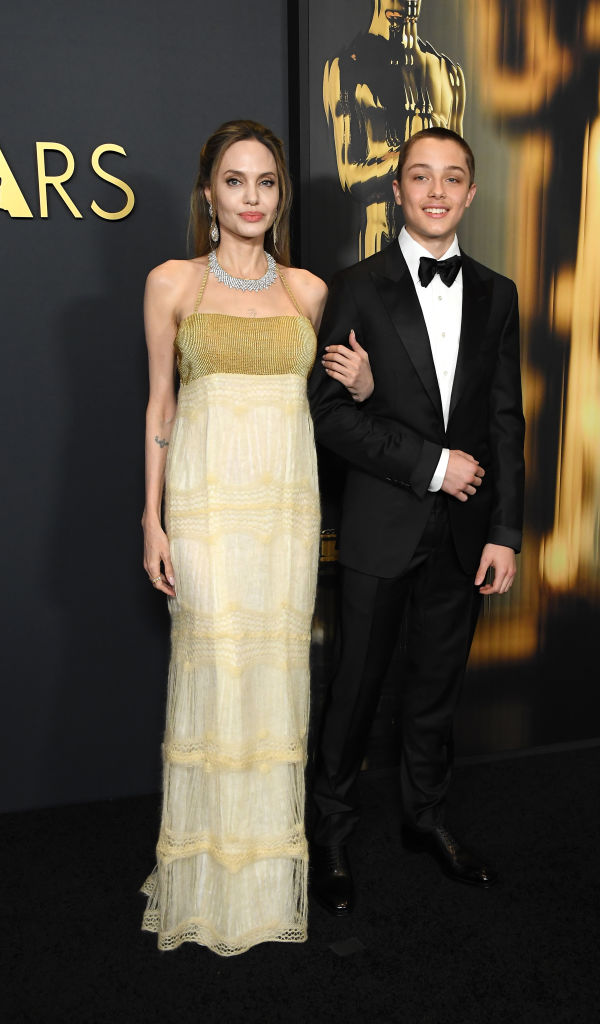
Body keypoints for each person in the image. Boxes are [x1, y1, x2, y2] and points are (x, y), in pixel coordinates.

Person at [140, 119, 372, 956]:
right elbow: (160, 407)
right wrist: (150, 517)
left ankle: (266, 885)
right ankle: (204, 879)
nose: (250, 198)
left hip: (283, 512)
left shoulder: (310, 292)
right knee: (212, 670)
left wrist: (366, 382)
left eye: (265, 183)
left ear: (278, 197)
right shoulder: (171, 282)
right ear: (207, 193)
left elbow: (341, 409)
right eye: (234, 182)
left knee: (274, 680)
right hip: (203, 507)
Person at [309, 126, 525, 915]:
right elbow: (329, 415)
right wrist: (432, 464)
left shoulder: (498, 293)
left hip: (465, 534)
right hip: (379, 527)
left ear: (470, 193)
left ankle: (425, 821)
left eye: (452, 178)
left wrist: (505, 530)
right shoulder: (355, 286)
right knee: (354, 690)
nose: (436, 191)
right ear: (395, 191)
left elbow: (505, 422)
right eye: (420, 177)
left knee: (434, 691)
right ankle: (329, 835)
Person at [323, 0, 466, 258]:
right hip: (379, 247)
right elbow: (349, 177)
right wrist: (413, 158)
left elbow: (460, 180)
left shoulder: (447, 72)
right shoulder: (346, 68)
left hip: (440, 257)